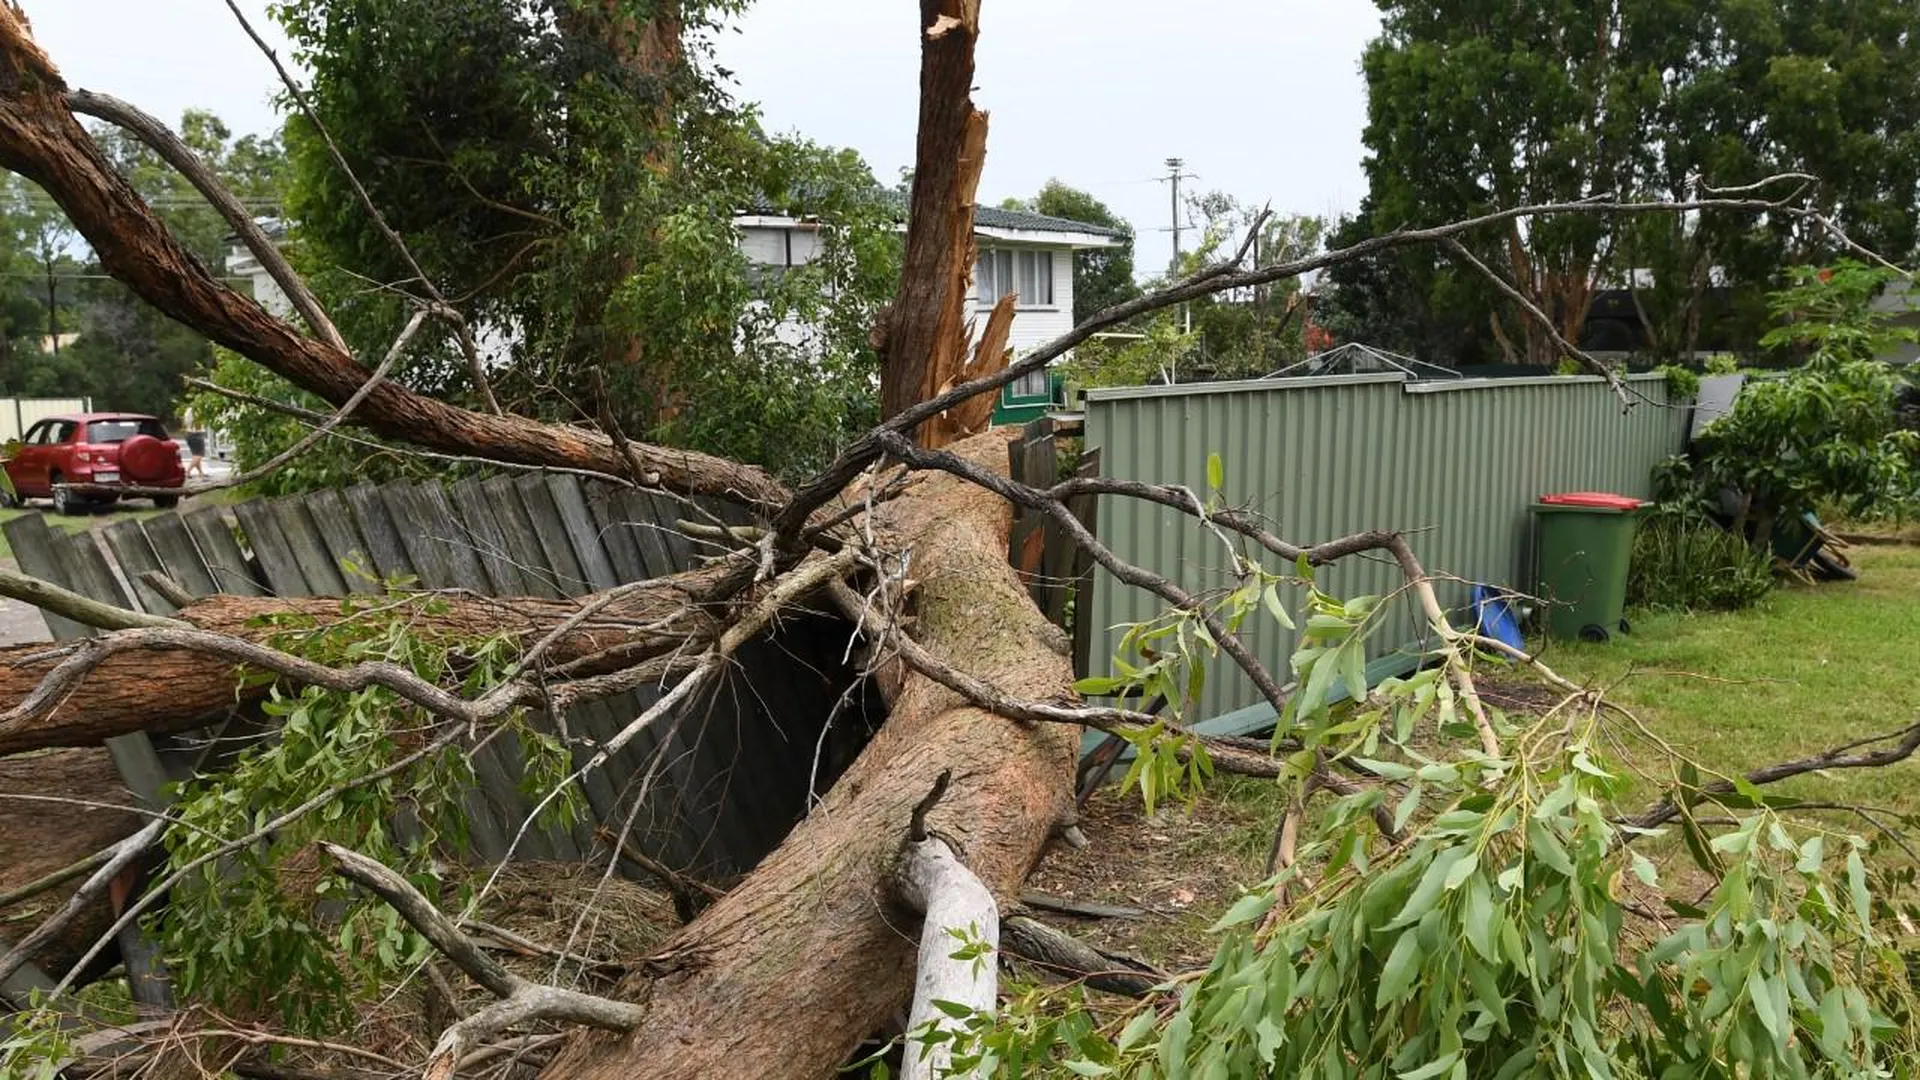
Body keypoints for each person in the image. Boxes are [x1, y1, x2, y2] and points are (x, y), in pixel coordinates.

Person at [181, 406, 208, 479]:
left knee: (195, 455)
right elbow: (198, 425)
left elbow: (184, 422)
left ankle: (201, 473)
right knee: (199, 455)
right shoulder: (198, 410)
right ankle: (188, 472)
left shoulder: (188, 410)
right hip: (197, 434)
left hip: (188, 434)